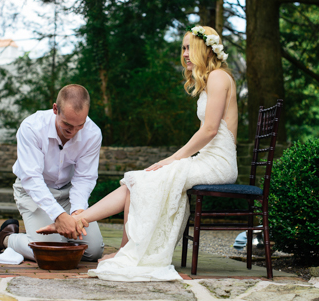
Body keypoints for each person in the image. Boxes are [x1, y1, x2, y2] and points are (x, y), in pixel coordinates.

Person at [36, 25, 239, 281]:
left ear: (204, 48)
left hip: (218, 164)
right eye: (183, 48)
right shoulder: (212, 79)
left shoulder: (218, 77)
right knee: (137, 180)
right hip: (206, 160)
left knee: (145, 178)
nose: (185, 54)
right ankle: (98, 232)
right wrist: (177, 160)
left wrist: (174, 158)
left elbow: (209, 131)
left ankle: (89, 228)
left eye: (189, 47)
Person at [0, 84, 104, 262]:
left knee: (93, 251)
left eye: (79, 125)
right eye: (67, 124)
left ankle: (49, 234)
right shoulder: (31, 127)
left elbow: (84, 178)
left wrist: (76, 214)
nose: (72, 132)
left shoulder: (93, 133)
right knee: (52, 250)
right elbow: (32, 179)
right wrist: (59, 216)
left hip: (68, 193)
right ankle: (4, 238)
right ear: (55, 109)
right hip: (33, 193)